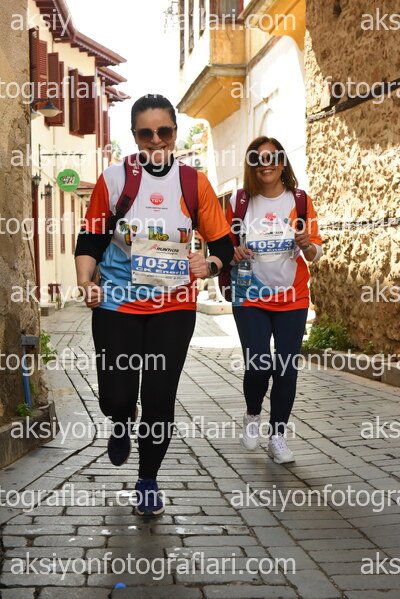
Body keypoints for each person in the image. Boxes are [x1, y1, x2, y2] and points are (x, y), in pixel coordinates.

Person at [75, 94, 233, 516]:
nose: (156, 140)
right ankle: (120, 418)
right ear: (134, 136)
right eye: (146, 133)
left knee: (160, 397)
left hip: (173, 305)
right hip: (117, 303)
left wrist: (209, 264)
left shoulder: (194, 183)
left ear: (175, 133)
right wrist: (86, 282)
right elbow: (90, 238)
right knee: (116, 397)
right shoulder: (114, 180)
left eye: (164, 131)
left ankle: (148, 480)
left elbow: (222, 244)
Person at [226, 136, 322, 464]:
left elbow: (315, 253)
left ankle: (277, 436)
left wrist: (307, 244)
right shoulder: (239, 202)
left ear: (282, 163)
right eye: (257, 159)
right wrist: (232, 252)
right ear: (251, 165)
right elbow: (221, 245)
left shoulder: (300, 201)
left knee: (286, 368)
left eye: (272, 158)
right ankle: (253, 414)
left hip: (292, 296)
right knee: (258, 364)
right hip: (249, 295)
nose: (265, 164)